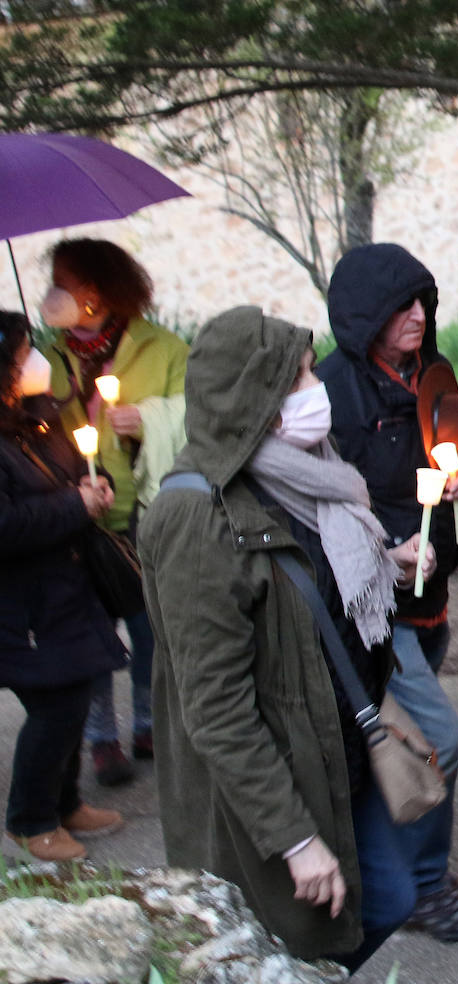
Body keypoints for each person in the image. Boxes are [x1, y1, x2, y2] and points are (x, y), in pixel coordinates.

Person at [140, 306, 435, 969]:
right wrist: (294, 838)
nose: (317, 389)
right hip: (277, 782)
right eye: (300, 377)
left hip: (338, 748)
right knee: (293, 944)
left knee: (385, 899)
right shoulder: (195, 518)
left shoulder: (304, 475)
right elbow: (214, 708)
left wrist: (386, 562)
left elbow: (301, 586)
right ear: (260, 401)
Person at [317, 243, 458, 944]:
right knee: (434, 743)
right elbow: (317, 506)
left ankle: (374, 868)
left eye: (423, 302)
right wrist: (378, 554)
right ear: (367, 318)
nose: (419, 316)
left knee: (391, 743)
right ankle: (421, 887)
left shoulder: (430, 374)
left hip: (431, 596)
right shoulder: (331, 393)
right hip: (376, 605)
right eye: (401, 307)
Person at [41, 238, 188, 786]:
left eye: (64, 280)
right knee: (91, 630)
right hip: (76, 512)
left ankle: (149, 722)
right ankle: (101, 738)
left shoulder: (165, 347)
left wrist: (150, 419)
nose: (53, 292)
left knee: (149, 624)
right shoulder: (47, 356)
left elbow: (196, 414)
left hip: (145, 511)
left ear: (97, 290)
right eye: (51, 279)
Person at [0, 312, 126, 862]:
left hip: (67, 591)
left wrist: (96, 484)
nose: (36, 361)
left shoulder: (37, 419)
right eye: (25, 351)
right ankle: (30, 818)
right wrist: (73, 504)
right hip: (23, 605)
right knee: (57, 704)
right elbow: (5, 526)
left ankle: (66, 800)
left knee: (75, 692)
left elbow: (79, 467)